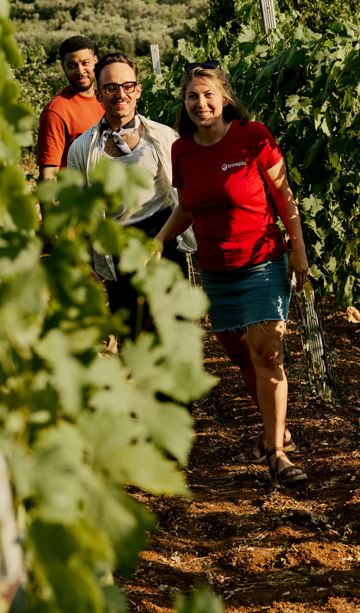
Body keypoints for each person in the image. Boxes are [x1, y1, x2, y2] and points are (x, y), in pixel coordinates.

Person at [154, 62, 310, 488]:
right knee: (241, 355)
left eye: (208, 95)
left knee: (267, 352)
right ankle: (275, 430)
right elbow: (188, 206)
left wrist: (298, 249)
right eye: (192, 96)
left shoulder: (253, 136)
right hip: (215, 269)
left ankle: (277, 454)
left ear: (224, 99)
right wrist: (161, 238)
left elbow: (283, 194)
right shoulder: (182, 150)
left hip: (262, 260)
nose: (200, 103)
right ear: (184, 103)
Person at [66, 52, 194, 337]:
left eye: (127, 86)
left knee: (176, 334)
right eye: (111, 87)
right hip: (116, 253)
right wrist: (86, 262)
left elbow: (185, 199)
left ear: (138, 90)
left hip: (164, 243)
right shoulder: (81, 149)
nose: (120, 94)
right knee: (135, 339)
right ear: (99, 94)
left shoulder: (164, 137)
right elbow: (78, 212)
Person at [36, 35, 104, 181]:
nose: (80, 71)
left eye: (85, 63)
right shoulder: (56, 112)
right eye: (72, 66)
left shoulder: (106, 100)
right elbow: (48, 176)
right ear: (63, 68)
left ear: (95, 61)